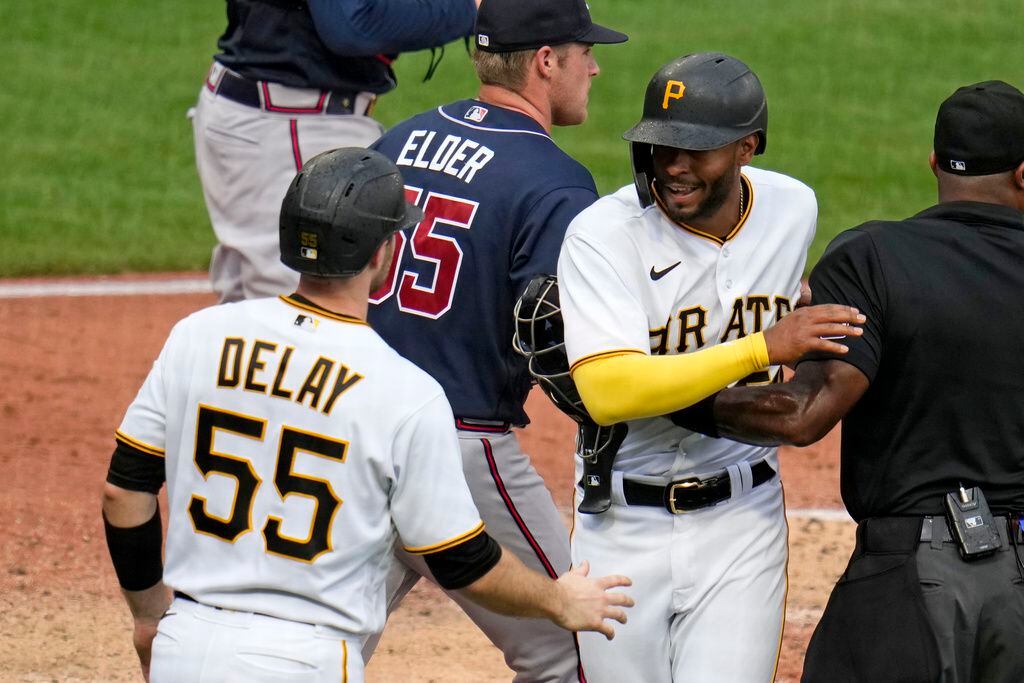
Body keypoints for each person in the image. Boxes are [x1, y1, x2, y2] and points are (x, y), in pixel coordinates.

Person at [101, 148, 633, 683]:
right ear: (384, 251)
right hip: (303, 662)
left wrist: (148, 618)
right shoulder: (404, 390)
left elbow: (124, 490)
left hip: (185, 645)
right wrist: (560, 600)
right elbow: (462, 561)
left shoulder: (198, 335)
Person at [555, 52, 864, 683]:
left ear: (748, 146)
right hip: (620, 526)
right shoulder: (602, 235)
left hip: (741, 522)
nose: (674, 166)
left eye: (696, 150)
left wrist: (795, 305)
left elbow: (774, 289)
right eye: (661, 146)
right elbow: (608, 392)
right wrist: (761, 348)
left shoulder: (792, 209)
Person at [704, 80, 1024, 683]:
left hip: (909, 585)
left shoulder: (873, 257)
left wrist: (677, 401)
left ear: (934, 163)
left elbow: (803, 414)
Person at [362, 0, 627, 679]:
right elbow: (556, 341)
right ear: (546, 61)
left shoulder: (397, 140)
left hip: (355, 431)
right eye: (585, 52)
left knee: (317, 643)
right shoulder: (555, 181)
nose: (595, 67)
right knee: (578, 646)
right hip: (459, 452)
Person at [193, 0, 480, 303]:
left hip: (263, 111)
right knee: (307, 304)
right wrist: (471, 9)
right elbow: (353, 26)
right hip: (290, 123)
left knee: (252, 309)